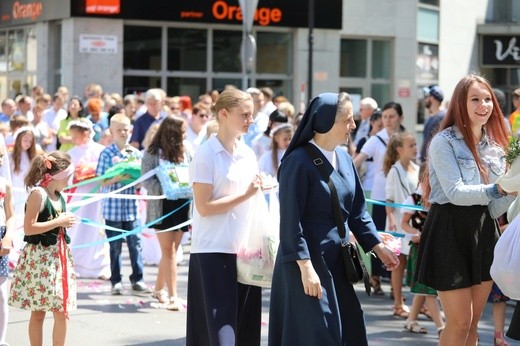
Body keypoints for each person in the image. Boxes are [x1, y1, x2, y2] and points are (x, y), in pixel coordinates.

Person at [268, 92, 400, 346]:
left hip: (337, 260)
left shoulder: (346, 159)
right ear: (325, 121)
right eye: (347, 120)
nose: (353, 125)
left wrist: (377, 246)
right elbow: (290, 222)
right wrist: (306, 268)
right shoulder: (297, 162)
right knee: (317, 333)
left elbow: (358, 212)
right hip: (305, 261)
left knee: (347, 330)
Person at [415, 74, 514, 345]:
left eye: (487, 99)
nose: (483, 105)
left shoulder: (496, 148)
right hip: (448, 229)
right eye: (475, 99)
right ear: (460, 103)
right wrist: (501, 189)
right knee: (458, 325)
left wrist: (514, 190)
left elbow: (494, 209)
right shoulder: (443, 142)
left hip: (484, 230)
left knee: (472, 326)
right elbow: (456, 193)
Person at [187, 89, 265, 345]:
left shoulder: (249, 154)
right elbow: (204, 207)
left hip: (245, 251)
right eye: (244, 114)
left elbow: (253, 199)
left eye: (251, 114)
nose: (250, 120)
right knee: (221, 334)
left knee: (245, 330)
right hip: (213, 249)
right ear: (223, 113)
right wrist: (247, 194)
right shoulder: (206, 155)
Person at [9, 151, 78, 346]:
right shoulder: (38, 194)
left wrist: (63, 223)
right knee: (38, 312)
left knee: (62, 311)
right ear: (59, 175)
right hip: (40, 259)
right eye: (68, 176)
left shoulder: (58, 195)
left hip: (58, 257)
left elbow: (55, 223)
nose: (69, 180)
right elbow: (29, 227)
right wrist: (59, 221)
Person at [353, 102, 405, 295]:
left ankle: (395, 284)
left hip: (400, 197)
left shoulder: (405, 138)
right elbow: (356, 162)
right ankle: (375, 277)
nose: (387, 121)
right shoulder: (376, 140)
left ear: (401, 117)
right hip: (380, 196)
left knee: (398, 240)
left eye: (392, 116)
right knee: (380, 238)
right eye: (384, 117)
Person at [142, 115, 192, 311]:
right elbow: (147, 180)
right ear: (172, 132)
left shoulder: (186, 151)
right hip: (162, 207)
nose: (185, 135)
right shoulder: (152, 153)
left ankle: (158, 290)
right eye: (182, 131)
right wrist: (166, 188)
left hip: (182, 205)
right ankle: (173, 296)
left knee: (171, 251)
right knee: (169, 251)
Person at [96, 113, 149, 295]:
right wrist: (117, 178)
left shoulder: (135, 153)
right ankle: (116, 280)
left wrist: (138, 181)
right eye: (119, 130)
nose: (124, 133)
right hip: (113, 208)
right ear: (112, 131)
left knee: (135, 244)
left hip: (132, 209)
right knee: (115, 246)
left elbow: (141, 179)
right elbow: (101, 181)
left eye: (126, 129)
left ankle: (138, 278)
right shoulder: (106, 153)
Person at [401, 163, 445, 336]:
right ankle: (441, 327)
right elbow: (404, 223)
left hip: (434, 249)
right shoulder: (414, 199)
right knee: (428, 289)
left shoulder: (437, 197)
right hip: (420, 250)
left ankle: (411, 320)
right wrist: (414, 232)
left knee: (423, 287)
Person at [66, 119, 110, 279]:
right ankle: (75, 263)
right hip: (78, 195)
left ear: (85, 134)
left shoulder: (100, 150)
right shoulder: (72, 153)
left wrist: (91, 171)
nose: (73, 140)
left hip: (96, 195)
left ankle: (99, 267)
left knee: (97, 229)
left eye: (75, 136)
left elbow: (106, 170)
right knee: (77, 228)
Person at [383, 132, 420, 318]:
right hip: (398, 224)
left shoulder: (416, 168)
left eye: (415, 144)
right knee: (399, 264)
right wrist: (391, 221)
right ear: (400, 149)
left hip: (413, 223)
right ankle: (398, 303)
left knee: (414, 261)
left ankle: (418, 303)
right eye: (411, 145)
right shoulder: (394, 171)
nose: (415, 147)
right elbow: (388, 199)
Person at [0, 142, 14, 346]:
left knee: (2, 293)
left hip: (1, 234)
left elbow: (11, 214)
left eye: (1, 155)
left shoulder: (4, 183)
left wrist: (8, 235)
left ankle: (1, 339)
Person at [420, 85, 446, 163]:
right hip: (426, 163)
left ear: (432, 98)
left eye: (427, 96)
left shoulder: (443, 117)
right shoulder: (432, 117)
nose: (425, 99)